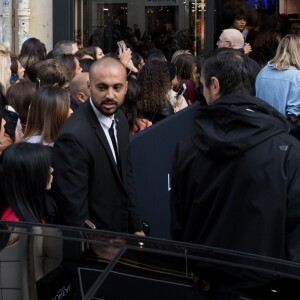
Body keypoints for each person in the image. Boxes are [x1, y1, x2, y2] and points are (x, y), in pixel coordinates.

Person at [170, 50, 300, 262]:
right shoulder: (289, 151)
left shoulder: (187, 146)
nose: (201, 92)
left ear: (215, 85)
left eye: (202, 86)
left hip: (206, 278)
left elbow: (179, 224)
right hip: (264, 280)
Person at [52, 57, 144, 235]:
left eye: (117, 87)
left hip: (122, 235)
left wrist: (137, 227)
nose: (110, 95)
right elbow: (74, 211)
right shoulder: (73, 137)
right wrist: (96, 249)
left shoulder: (121, 119)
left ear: (126, 86)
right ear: (89, 86)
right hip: (97, 246)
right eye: (102, 87)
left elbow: (126, 177)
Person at [255, 35, 300, 138]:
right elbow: (294, 115)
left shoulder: (263, 71)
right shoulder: (296, 76)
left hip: (263, 130)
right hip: (286, 133)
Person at [0, 142, 53, 223]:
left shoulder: (19, 214)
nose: (52, 169)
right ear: (31, 177)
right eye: (45, 167)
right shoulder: (18, 227)